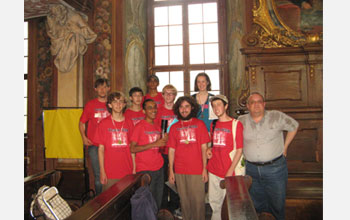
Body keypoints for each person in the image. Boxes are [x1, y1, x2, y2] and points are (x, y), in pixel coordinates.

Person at [237, 92, 299, 220]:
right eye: (252, 102)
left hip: (275, 169)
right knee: (255, 205)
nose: (256, 105)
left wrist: (285, 147)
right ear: (248, 106)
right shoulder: (241, 121)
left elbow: (294, 126)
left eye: (259, 101)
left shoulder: (276, 116)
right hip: (251, 169)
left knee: (277, 205)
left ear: (264, 104)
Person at [167, 96, 210, 220]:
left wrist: (204, 169)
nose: (184, 109)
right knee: (184, 202)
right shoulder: (174, 127)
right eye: (181, 107)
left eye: (187, 106)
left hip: (197, 170)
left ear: (192, 108)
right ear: (177, 109)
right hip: (180, 170)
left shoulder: (200, 124)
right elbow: (171, 150)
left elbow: (204, 148)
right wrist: (171, 171)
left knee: (198, 202)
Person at [206, 95, 244, 220]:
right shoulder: (213, 124)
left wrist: (229, 171)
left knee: (229, 204)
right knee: (214, 202)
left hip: (228, 170)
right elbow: (213, 144)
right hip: (213, 169)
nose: (216, 108)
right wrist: (209, 150)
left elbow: (239, 150)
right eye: (214, 105)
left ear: (226, 106)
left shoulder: (236, 124)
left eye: (219, 104)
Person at [130, 99, 168, 210]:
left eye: (155, 107)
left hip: (159, 167)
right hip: (145, 169)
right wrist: (153, 144)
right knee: (147, 202)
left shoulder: (157, 127)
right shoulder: (139, 126)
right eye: (150, 108)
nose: (153, 110)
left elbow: (159, 147)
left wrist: (165, 139)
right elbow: (132, 148)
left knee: (157, 200)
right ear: (144, 111)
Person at [93, 92, 134, 191]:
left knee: (126, 201)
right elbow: (101, 149)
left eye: (121, 101)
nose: (118, 104)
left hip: (127, 169)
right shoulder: (103, 123)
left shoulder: (129, 122)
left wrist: (134, 169)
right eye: (115, 102)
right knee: (110, 202)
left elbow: (132, 148)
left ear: (124, 104)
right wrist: (102, 171)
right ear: (110, 105)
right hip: (110, 171)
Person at [79, 78, 110, 196]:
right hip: (95, 146)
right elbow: (81, 122)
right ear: (95, 89)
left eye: (104, 87)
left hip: (110, 146)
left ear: (108, 88)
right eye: (100, 87)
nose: (102, 90)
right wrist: (83, 137)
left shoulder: (113, 104)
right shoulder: (91, 105)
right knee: (98, 175)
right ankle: (99, 202)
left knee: (111, 174)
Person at [154, 84, 180, 213]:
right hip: (162, 150)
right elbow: (153, 130)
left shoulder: (179, 110)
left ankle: (175, 205)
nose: (169, 95)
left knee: (176, 179)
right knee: (163, 179)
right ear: (162, 95)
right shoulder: (157, 111)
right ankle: (164, 207)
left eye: (171, 93)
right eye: (166, 93)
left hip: (177, 151)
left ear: (175, 96)